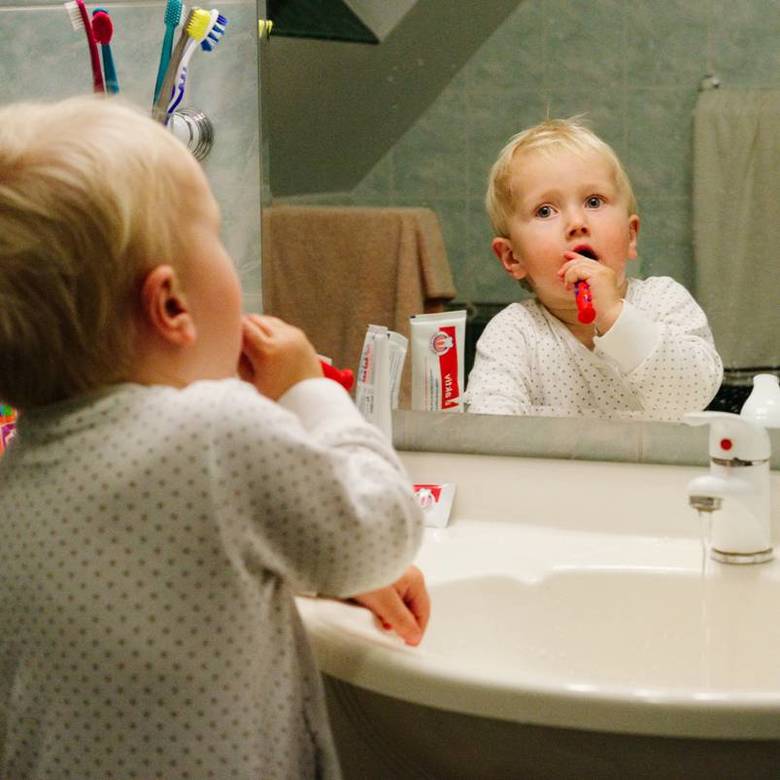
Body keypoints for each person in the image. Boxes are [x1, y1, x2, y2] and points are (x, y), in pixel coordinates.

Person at [0, 96, 429, 779]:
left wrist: (313, 572)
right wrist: (308, 388)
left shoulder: (19, 467)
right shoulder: (217, 430)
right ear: (171, 305)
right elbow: (387, 528)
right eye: (218, 238)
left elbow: (162, 584)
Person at [464, 117, 723, 420]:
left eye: (594, 201)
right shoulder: (514, 333)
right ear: (512, 257)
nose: (577, 223)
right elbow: (491, 428)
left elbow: (693, 395)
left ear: (631, 235)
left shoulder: (663, 300)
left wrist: (616, 317)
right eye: (545, 210)